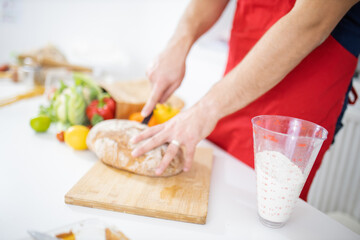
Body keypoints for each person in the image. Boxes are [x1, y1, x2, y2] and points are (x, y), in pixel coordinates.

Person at [131, 0, 360, 201]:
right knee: (207, 191)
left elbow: (311, 21)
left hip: (302, 95)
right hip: (236, 82)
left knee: (258, 206)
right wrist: (179, 42)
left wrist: (206, 108)